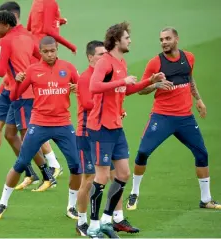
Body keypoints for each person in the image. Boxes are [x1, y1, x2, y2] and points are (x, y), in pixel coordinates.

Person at [85, 22, 166, 238]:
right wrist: (121, 80)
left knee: (123, 173)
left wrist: (151, 81)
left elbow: (125, 89)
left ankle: (105, 220)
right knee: (102, 176)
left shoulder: (121, 62)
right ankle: (92, 227)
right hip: (101, 126)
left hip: (116, 126)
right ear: (117, 40)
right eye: (127, 37)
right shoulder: (105, 62)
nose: (130, 40)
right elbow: (94, 87)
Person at [126, 27, 221, 211]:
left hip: (185, 118)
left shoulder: (189, 58)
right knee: (143, 152)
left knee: (202, 154)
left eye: (168, 38)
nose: (164, 42)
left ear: (176, 39)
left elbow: (190, 79)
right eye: (161, 39)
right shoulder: (155, 63)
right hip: (162, 117)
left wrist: (199, 100)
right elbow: (141, 89)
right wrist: (155, 84)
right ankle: (134, 193)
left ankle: (206, 199)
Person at [0, 2, 63, 185]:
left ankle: (48, 175)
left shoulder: (5, 41)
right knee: (9, 133)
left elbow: (0, 70)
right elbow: (40, 58)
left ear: (6, 24)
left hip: (21, 93)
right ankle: (30, 173)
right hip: (10, 92)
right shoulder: (27, 36)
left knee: (27, 136)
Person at [0, 36, 81, 220]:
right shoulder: (32, 70)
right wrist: (16, 81)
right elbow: (15, 96)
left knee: (76, 166)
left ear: (57, 49)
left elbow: (82, 88)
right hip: (39, 124)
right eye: (46, 51)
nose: (49, 54)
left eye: (53, 51)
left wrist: (77, 88)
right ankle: (2, 203)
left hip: (63, 124)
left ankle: (71, 207)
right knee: (21, 163)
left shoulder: (68, 68)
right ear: (40, 52)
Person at [75, 41, 139, 237]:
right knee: (89, 179)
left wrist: (118, 108)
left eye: (105, 53)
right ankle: (82, 222)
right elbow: (88, 102)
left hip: (107, 129)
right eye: (100, 54)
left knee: (116, 175)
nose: (105, 57)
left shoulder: (105, 75)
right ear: (90, 57)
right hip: (87, 132)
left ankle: (115, 219)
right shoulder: (87, 78)